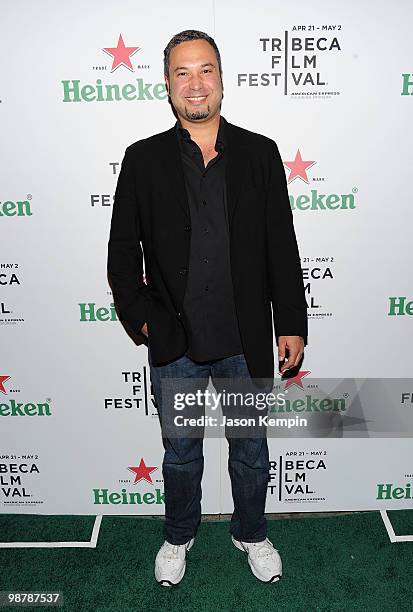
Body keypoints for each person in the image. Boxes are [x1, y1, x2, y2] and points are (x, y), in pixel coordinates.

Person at [107, 29, 308, 586]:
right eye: (182, 73)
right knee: (179, 453)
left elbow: (281, 246)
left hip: (244, 340)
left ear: (222, 78)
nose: (196, 84)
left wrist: (290, 322)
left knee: (250, 449)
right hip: (176, 345)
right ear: (168, 86)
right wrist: (145, 320)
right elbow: (122, 254)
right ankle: (178, 536)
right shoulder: (142, 159)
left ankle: (250, 531)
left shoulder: (261, 154)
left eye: (206, 70)